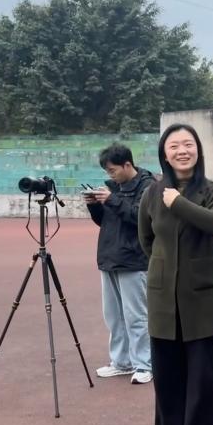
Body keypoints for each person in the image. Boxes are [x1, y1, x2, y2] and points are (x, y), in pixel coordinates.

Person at [138, 123, 213, 425]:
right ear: (164, 153)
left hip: (201, 296)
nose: (182, 151)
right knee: (166, 371)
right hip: (163, 295)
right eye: (174, 146)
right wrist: (165, 267)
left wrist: (178, 202)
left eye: (188, 144)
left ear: (198, 150)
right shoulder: (152, 192)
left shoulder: (212, 190)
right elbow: (146, 239)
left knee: (202, 373)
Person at [86, 143, 156, 385]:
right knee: (114, 316)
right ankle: (121, 362)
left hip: (134, 260)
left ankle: (144, 364)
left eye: (113, 170)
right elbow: (105, 222)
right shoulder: (112, 188)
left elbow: (141, 219)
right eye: (107, 171)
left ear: (127, 165)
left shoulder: (148, 186)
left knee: (136, 316)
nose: (110, 175)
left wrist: (112, 200)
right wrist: (94, 205)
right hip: (109, 257)